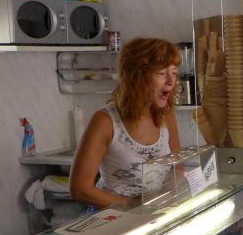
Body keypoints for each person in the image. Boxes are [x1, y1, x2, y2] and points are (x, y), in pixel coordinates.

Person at [70, 38, 181, 210]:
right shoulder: (105, 121)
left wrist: (177, 198)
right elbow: (80, 189)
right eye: (161, 73)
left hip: (152, 213)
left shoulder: (165, 115)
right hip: (113, 216)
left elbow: (177, 167)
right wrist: (133, 206)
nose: (171, 81)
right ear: (137, 77)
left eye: (174, 72)